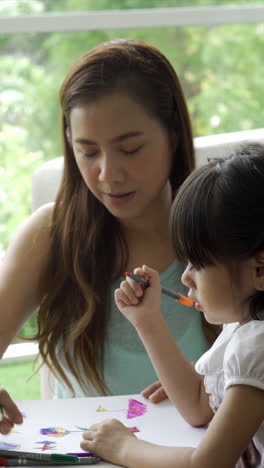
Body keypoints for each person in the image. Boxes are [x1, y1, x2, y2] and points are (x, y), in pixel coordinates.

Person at [0, 39, 219, 431]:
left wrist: (217, 390)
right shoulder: (51, 236)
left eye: (130, 149)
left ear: (172, 134)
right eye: (87, 152)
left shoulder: (226, 234)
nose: (108, 174)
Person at [80, 142, 264, 468]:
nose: (186, 278)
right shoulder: (243, 327)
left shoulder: (258, 346)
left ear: (260, 269)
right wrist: (147, 320)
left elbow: (207, 464)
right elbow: (198, 406)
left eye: (198, 263)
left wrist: (124, 448)